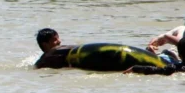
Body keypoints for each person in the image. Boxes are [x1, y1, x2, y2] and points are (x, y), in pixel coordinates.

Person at [34, 28, 167, 71]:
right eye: (55, 40)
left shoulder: (60, 52)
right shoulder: (46, 59)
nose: (59, 42)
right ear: (45, 45)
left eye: (58, 38)